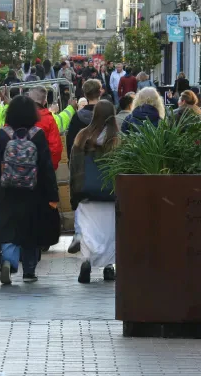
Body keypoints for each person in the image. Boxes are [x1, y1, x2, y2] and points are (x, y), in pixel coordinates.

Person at [0, 95, 60, 285]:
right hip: (34, 193)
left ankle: (9, 263)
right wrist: (52, 195)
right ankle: (29, 270)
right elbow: (46, 167)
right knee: (31, 230)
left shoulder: (3, 134)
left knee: (8, 228)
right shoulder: (38, 134)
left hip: (7, 191)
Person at [70, 100, 120, 283]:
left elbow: (74, 167)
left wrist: (74, 193)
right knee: (109, 232)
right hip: (110, 193)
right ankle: (109, 266)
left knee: (89, 230)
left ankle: (86, 261)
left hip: (87, 193)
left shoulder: (82, 137)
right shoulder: (118, 138)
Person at [28, 86, 72, 169]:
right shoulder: (49, 119)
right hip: (44, 168)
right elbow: (56, 148)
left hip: (22, 170)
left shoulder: (18, 115)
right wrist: (50, 168)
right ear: (45, 101)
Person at [65, 79, 104, 159]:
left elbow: (71, 143)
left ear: (85, 95)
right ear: (100, 92)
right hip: (106, 161)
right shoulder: (107, 114)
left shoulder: (77, 117)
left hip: (83, 161)